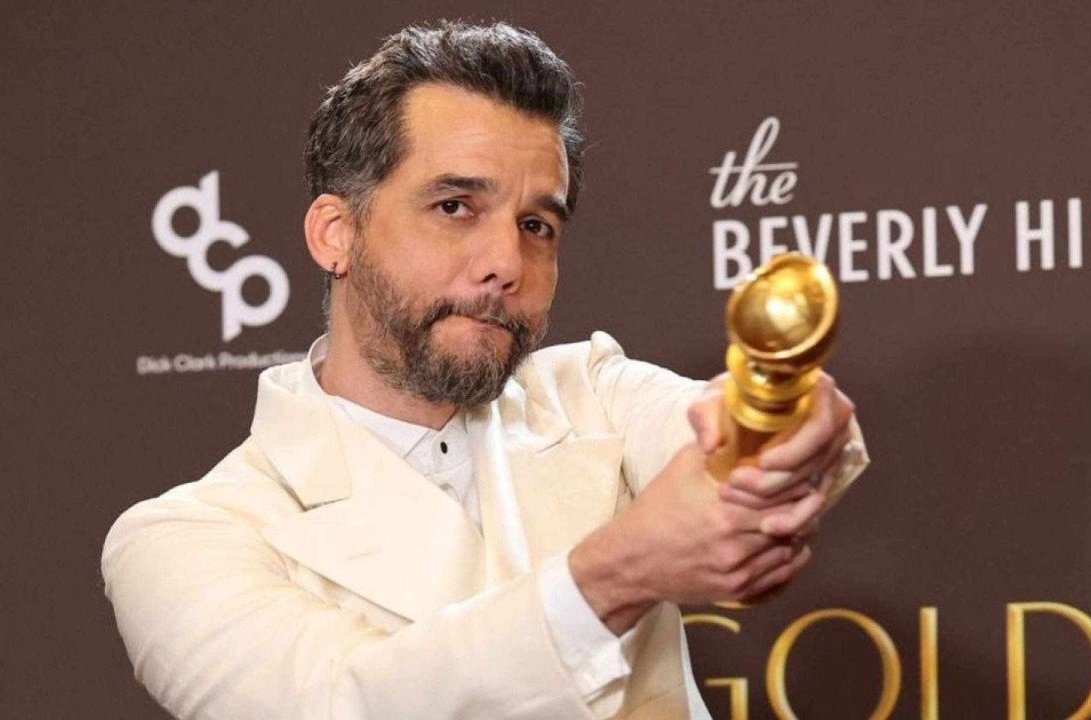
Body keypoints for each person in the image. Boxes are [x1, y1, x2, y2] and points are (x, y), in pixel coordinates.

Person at [101, 20, 868, 720]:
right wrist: (617, 574)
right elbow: (345, 705)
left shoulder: (591, 392)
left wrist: (778, 418)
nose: (507, 262)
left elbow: (728, 441)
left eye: (536, 225)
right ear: (336, 233)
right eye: (455, 208)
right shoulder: (184, 539)